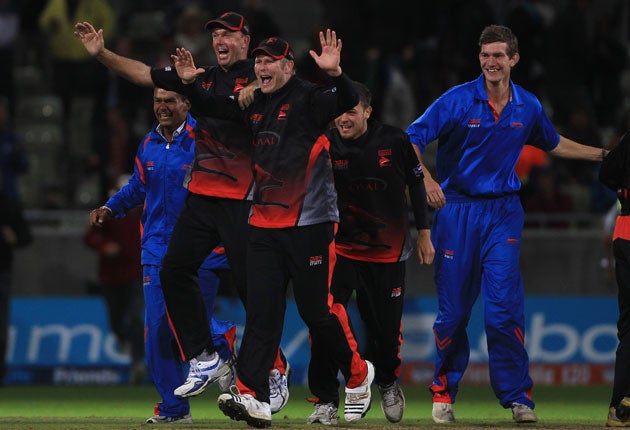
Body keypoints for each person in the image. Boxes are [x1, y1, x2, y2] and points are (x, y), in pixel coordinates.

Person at [74, 12, 291, 413]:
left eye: (228, 34)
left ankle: (272, 373)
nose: (220, 40)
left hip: (245, 199)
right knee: (173, 271)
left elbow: (276, 92)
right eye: (216, 35)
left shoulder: (261, 77)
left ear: (246, 40)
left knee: (254, 295)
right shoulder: (201, 78)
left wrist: (260, 89)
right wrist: (102, 53)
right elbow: (142, 74)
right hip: (205, 198)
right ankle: (207, 356)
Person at [172, 30, 374, 428]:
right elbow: (212, 107)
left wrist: (336, 74)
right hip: (262, 223)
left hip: (310, 222)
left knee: (316, 312)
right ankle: (253, 397)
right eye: (259, 61)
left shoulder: (310, 97)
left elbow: (346, 101)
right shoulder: (253, 103)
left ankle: (357, 373)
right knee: (263, 313)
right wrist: (191, 85)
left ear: (288, 67)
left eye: (271, 61)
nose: (262, 66)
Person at [405, 24, 606, 424]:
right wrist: (426, 178)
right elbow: (410, 138)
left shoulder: (527, 106)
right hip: (456, 210)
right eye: (485, 55)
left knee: (503, 309)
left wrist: (605, 155)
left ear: (514, 59)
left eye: (499, 55)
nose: (491, 62)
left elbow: (553, 142)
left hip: (503, 213)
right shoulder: (458, 100)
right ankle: (444, 388)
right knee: (454, 314)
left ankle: (518, 397)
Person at [88, 87, 236, 424]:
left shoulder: (206, 138)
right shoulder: (148, 143)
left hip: (201, 250)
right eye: (158, 101)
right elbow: (139, 187)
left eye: (170, 100)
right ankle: (174, 408)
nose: (163, 107)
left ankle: (223, 345)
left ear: (187, 103)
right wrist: (111, 207)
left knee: (186, 320)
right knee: (156, 330)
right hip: (156, 247)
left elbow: (229, 183)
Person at [305, 81, 434, 425]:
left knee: (386, 335)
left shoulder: (394, 140)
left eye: (351, 111)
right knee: (323, 322)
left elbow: (416, 183)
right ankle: (325, 400)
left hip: (388, 254)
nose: (343, 119)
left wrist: (424, 233)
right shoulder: (326, 141)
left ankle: (388, 382)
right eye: (340, 112)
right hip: (341, 250)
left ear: (367, 111)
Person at [84, 181, 145, 383]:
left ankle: (138, 361)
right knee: (116, 318)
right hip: (111, 275)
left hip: (136, 273)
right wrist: (104, 246)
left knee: (135, 318)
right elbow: (90, 236)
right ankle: (122, 337)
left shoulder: (146, 213)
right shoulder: (110, 214)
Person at [599, 131, 630, 427]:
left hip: (624, 233)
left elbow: (606, 173)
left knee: (628, 326)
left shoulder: (628, 139)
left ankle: (618, 409)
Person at [0, 188, 32, 386]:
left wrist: (15, 238)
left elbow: (25, 236)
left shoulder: (7, 204)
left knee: (1, 325)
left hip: (2, 271)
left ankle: (0, 372)